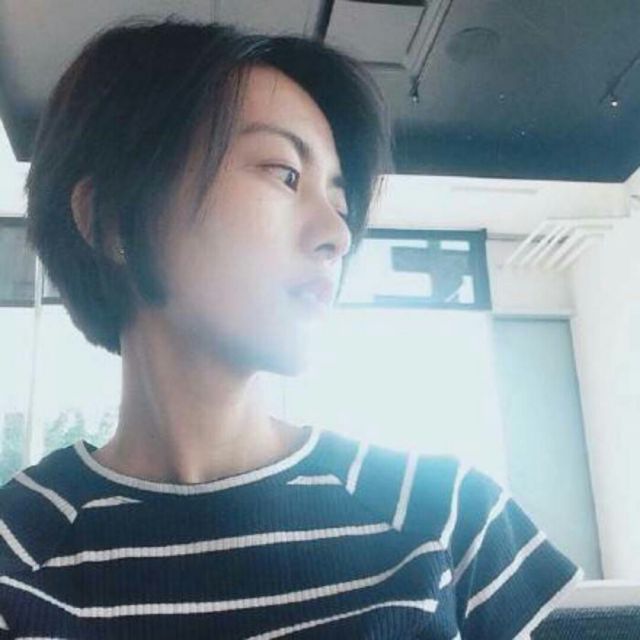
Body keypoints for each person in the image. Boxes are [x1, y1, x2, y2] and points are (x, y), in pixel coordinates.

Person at [0, 19, 581, 639]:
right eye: (284, 173)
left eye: (341, 202)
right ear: (112, 219)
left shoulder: (450, 517)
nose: (338, 235)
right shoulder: (16, 551)